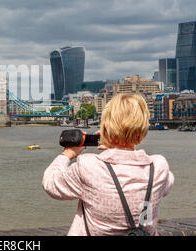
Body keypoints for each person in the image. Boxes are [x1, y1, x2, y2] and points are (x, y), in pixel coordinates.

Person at [42, 93, 174, 235]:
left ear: (105, 125)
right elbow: (166, 184)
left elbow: (51, 184)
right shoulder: (158, 168)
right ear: (143, 129)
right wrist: (121, 149)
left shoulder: (89, 166)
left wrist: (68, 154)